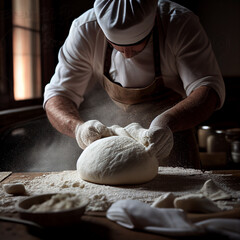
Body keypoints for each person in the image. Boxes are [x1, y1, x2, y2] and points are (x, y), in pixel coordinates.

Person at [43, 0, 225, 169]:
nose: (127, 55)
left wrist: (166, 122)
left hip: (171, 135)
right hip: (115, 140)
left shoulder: (179, 23)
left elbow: (207, 89)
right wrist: (79, 129)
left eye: (137, 45)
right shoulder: (85, 30)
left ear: (153, 21)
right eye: (117, 46)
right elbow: (58, 95)